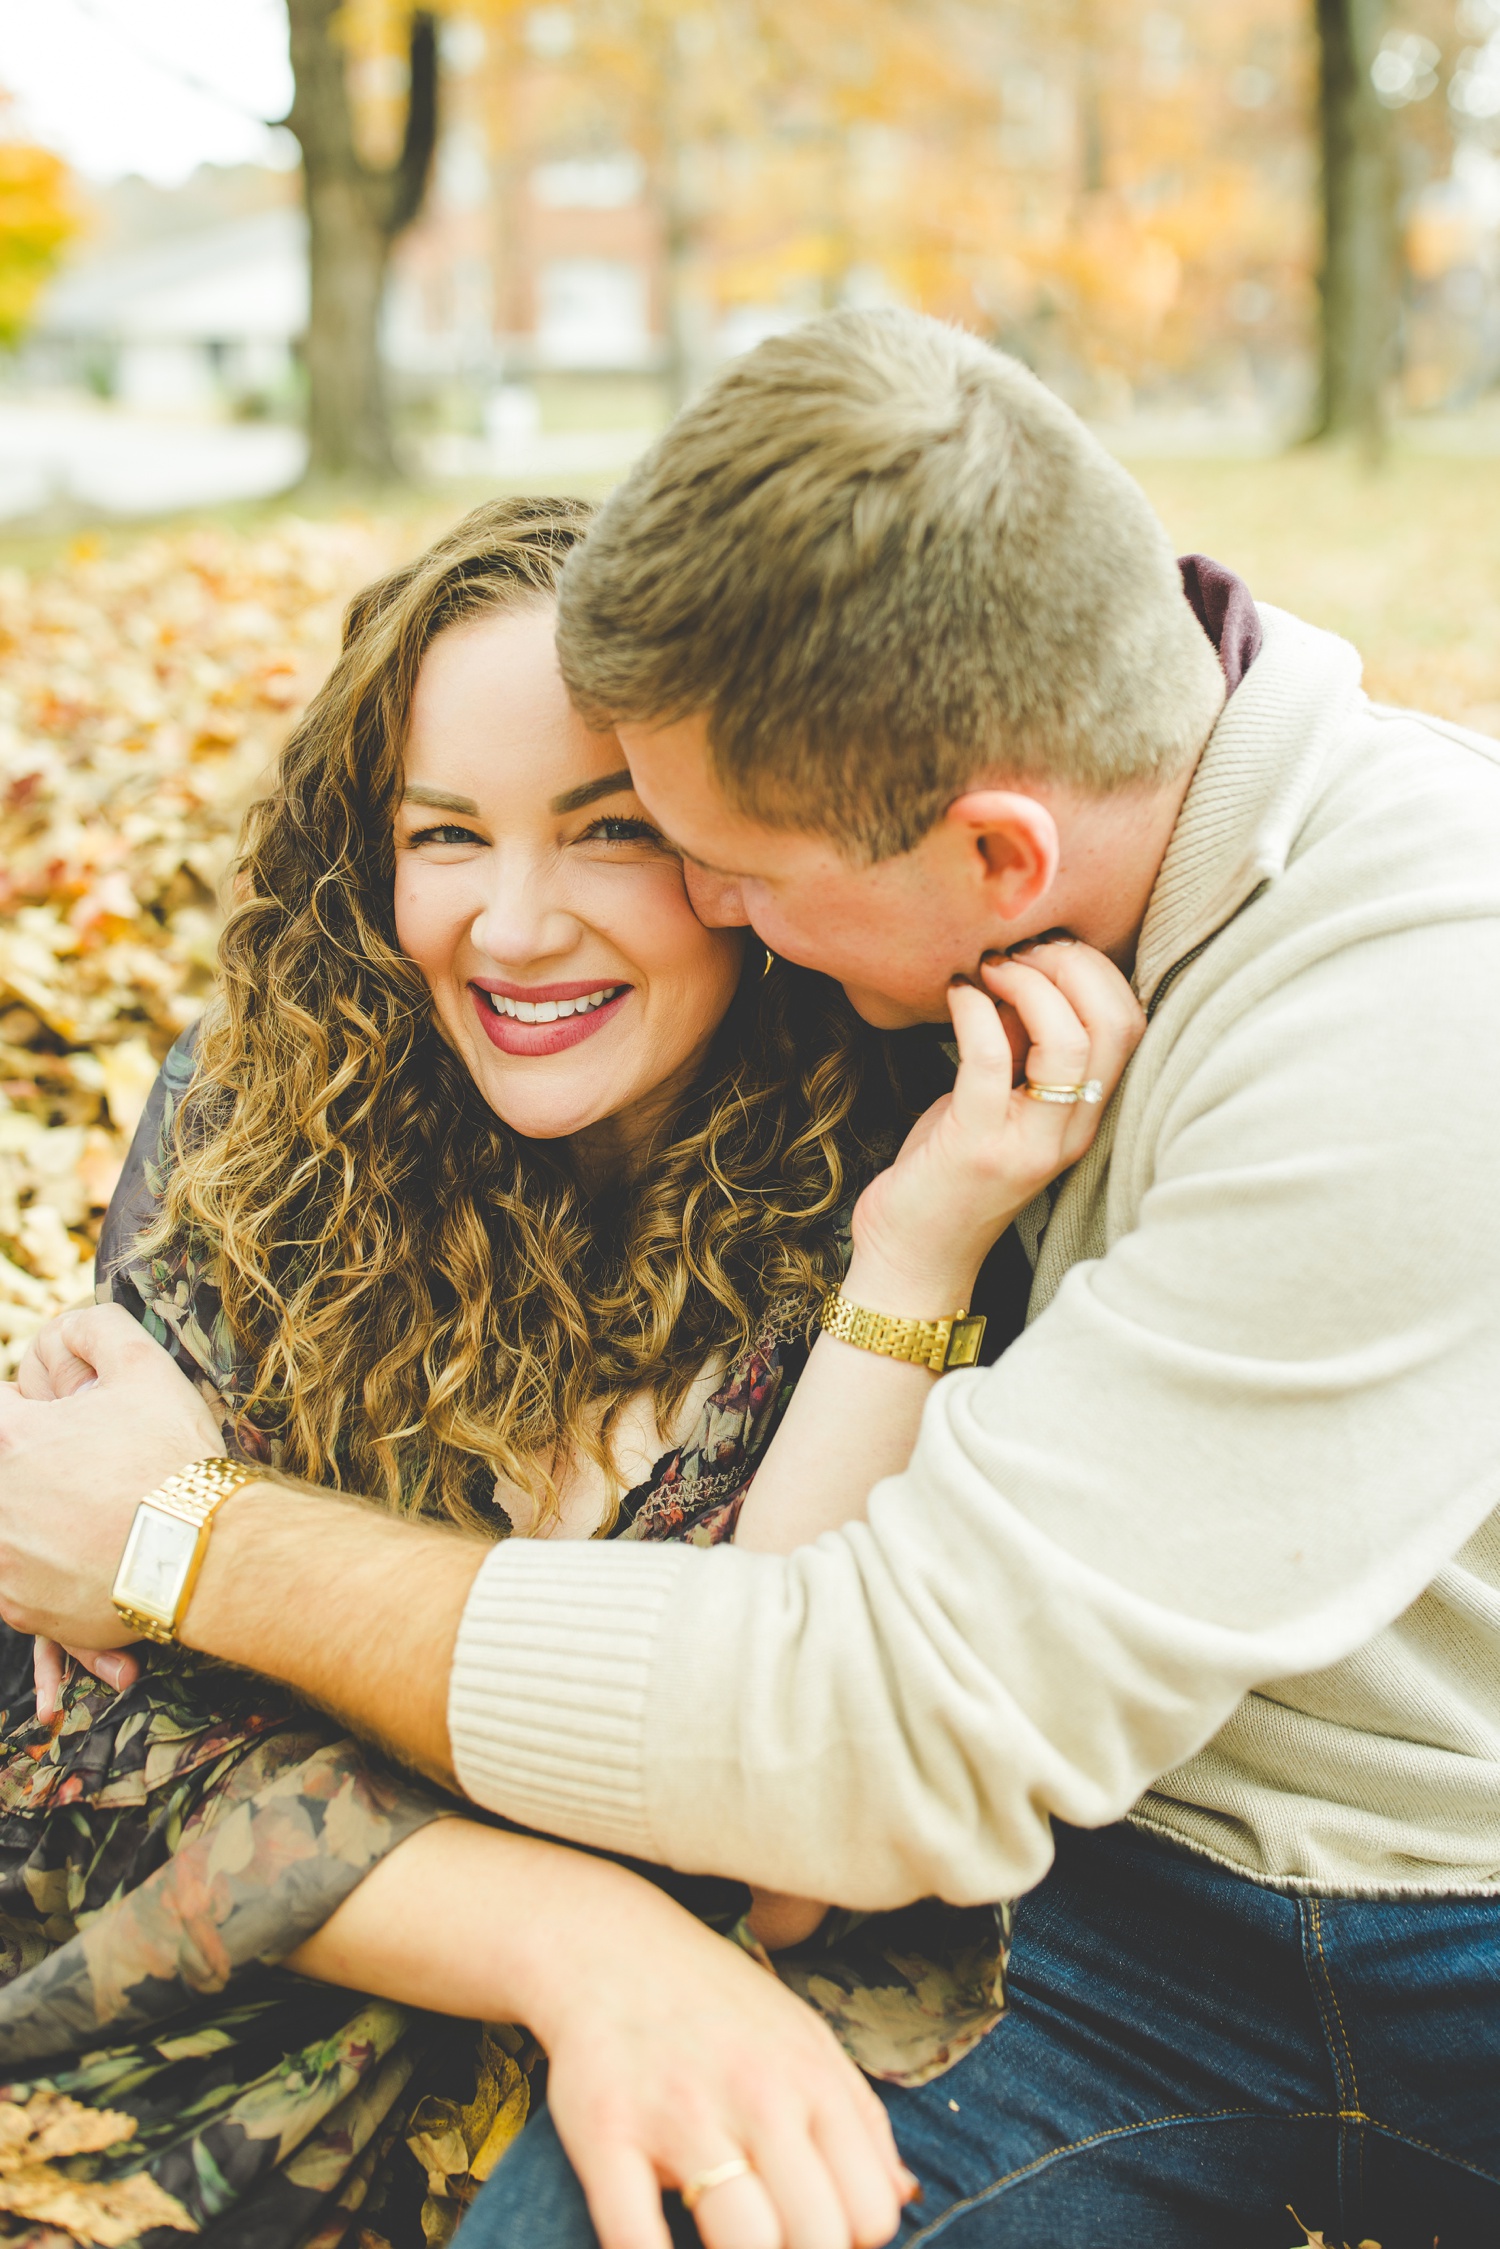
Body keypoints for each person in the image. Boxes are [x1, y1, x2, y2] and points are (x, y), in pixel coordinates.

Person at [4, 308, 1500, 2249]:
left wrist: (186, 1534)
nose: (712, 913)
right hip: (1105, 1900)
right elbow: (77, 1718)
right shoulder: (913, 970)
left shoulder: (1355, 1021)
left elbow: (847, 1747)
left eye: (701, 855)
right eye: (448, 833)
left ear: (996, 851)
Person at [0, 490, 1135, 2249]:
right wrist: (575, 1935)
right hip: (175, 2046)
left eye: (609, 833)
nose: (514, 929)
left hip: (647, 2073)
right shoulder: (257, 1119)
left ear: (744, 848)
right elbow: (106, 1750)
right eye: (443, 833)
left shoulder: (914, 1168)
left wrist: (908, 1269)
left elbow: (783, 1834)